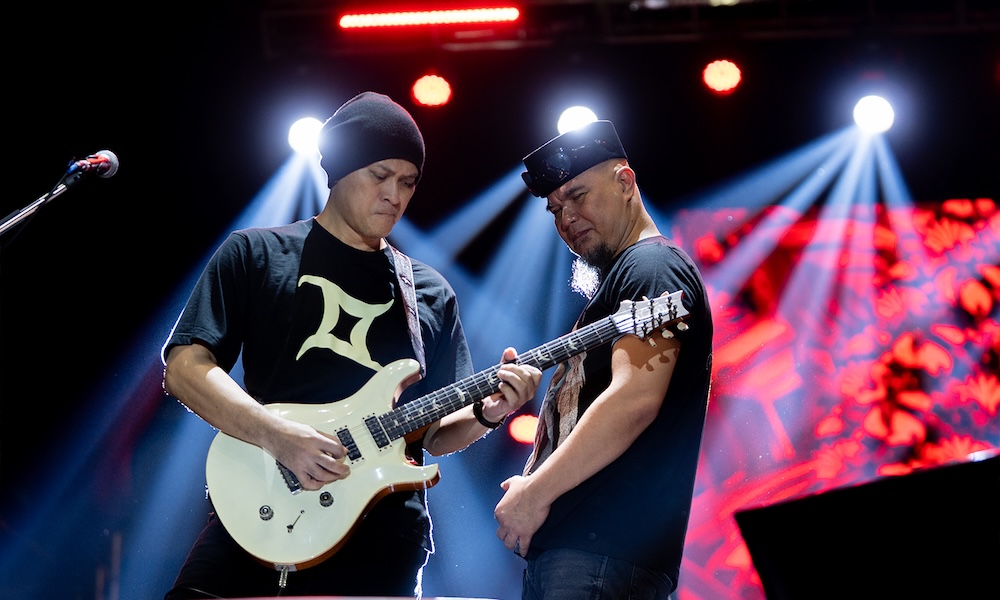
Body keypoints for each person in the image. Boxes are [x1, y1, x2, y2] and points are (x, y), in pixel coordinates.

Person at [161, 91, 542, 599]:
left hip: (381, 538)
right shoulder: (256, 253)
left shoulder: (428, 291)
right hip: (260, 509)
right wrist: (277, 435)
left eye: (408, 182)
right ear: (339, 170)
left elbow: (434, 434)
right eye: (380, 175)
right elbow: (184, 366)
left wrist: (488, 413)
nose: (394, 195)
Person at [493, 119, 714, 599]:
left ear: (625, 182)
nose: (565, 218)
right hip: (586, 556)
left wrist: (535, 493)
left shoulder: (652, 267)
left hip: (600, 557)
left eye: (578, 196)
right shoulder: (627, 277)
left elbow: (634, 400)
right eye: (555, 209)